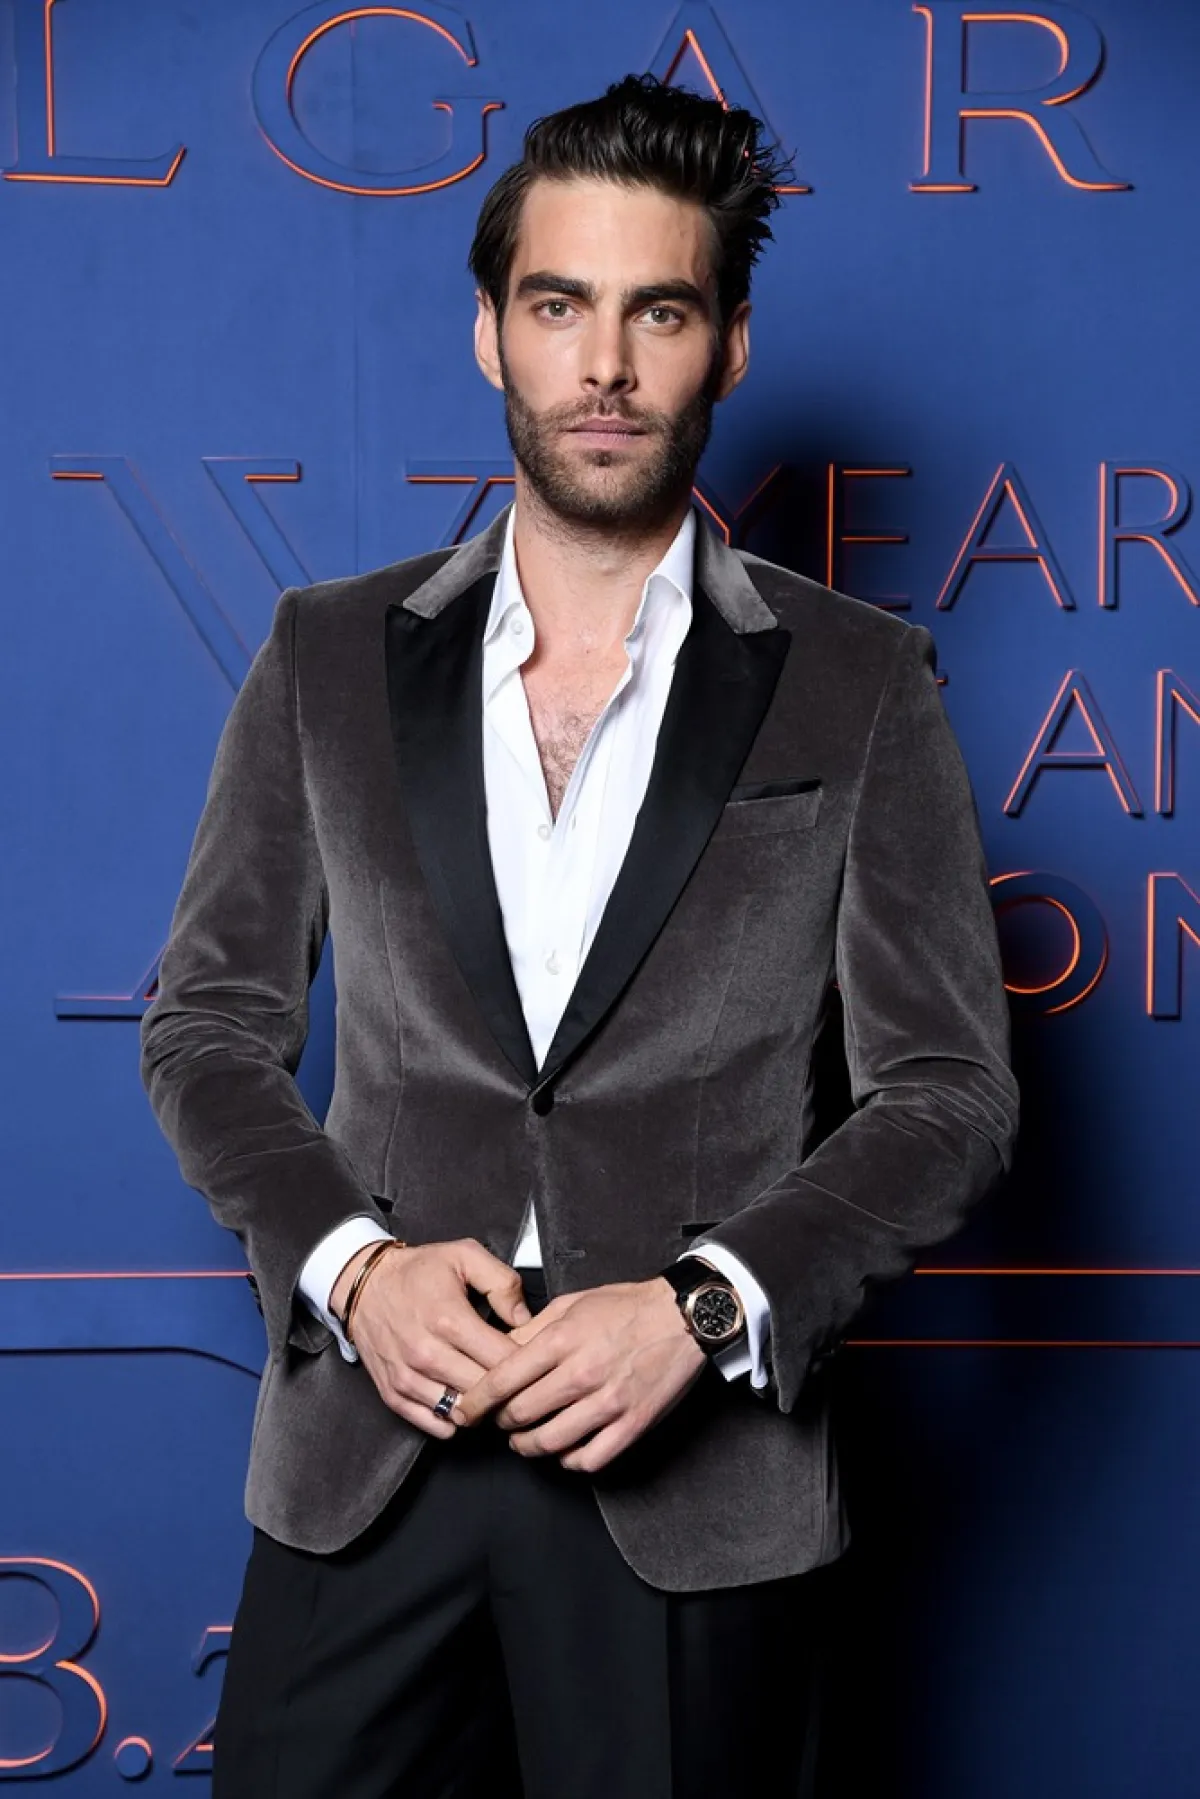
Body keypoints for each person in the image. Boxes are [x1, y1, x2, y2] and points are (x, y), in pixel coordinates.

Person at [139, 72, 1018, 1799]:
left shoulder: (860, 683)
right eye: (559, 306)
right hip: (373, 1444)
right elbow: (205, 1027)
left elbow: (948, 1097)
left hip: (692, 1478)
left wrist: (704, 1306)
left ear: (729, 346)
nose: (604, 364)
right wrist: (353, 1267)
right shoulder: (325, 655)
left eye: (657, 312)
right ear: (492, 331)